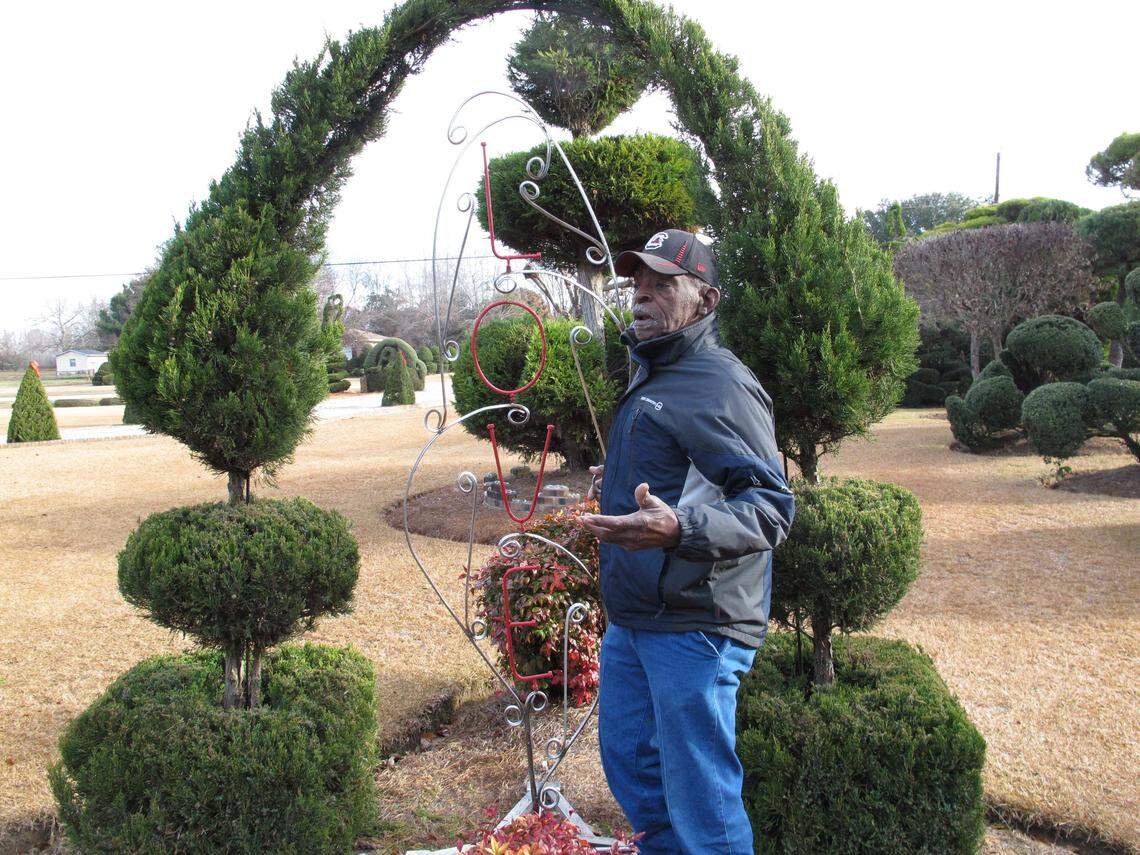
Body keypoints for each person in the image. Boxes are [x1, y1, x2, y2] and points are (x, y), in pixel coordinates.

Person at [578, 229, 795, 855]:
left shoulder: (718, 383)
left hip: (697, 623)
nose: (641, 297)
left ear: (704, 300)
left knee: (702, 800)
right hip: (638, 620)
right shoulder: (655, 373)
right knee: (636, 774)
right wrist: (616, 476)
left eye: (661, 285)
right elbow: (681, 470)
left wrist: (679, 528)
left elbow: (770, 507)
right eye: (637, 285)